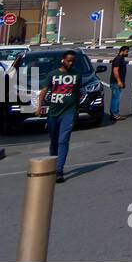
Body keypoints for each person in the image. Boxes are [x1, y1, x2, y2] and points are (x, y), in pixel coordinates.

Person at [37, 50, 81, 183]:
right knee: (54, 140)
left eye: (73, 60)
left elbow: (77, 93)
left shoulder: (76, 75)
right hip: (53, 113)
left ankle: (59, 170)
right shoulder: (52, 75)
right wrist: (39, 107)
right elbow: (43, 91)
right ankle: (53, 164)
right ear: (63, 60)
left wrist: (77, 109)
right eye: (69, 60)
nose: (71, 63)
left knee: (63, 140)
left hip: (69, 112)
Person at [109, 45, 129, 122]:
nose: (127, 53)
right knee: (116, 98)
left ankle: (113, 114)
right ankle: (115, 114)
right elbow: (115, 70)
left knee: (115, 98)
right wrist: (119, 81)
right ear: (122, 51)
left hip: (117, 82)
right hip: (115, 82)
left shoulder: (121, 59)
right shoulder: (118, 59)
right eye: (126, 52)